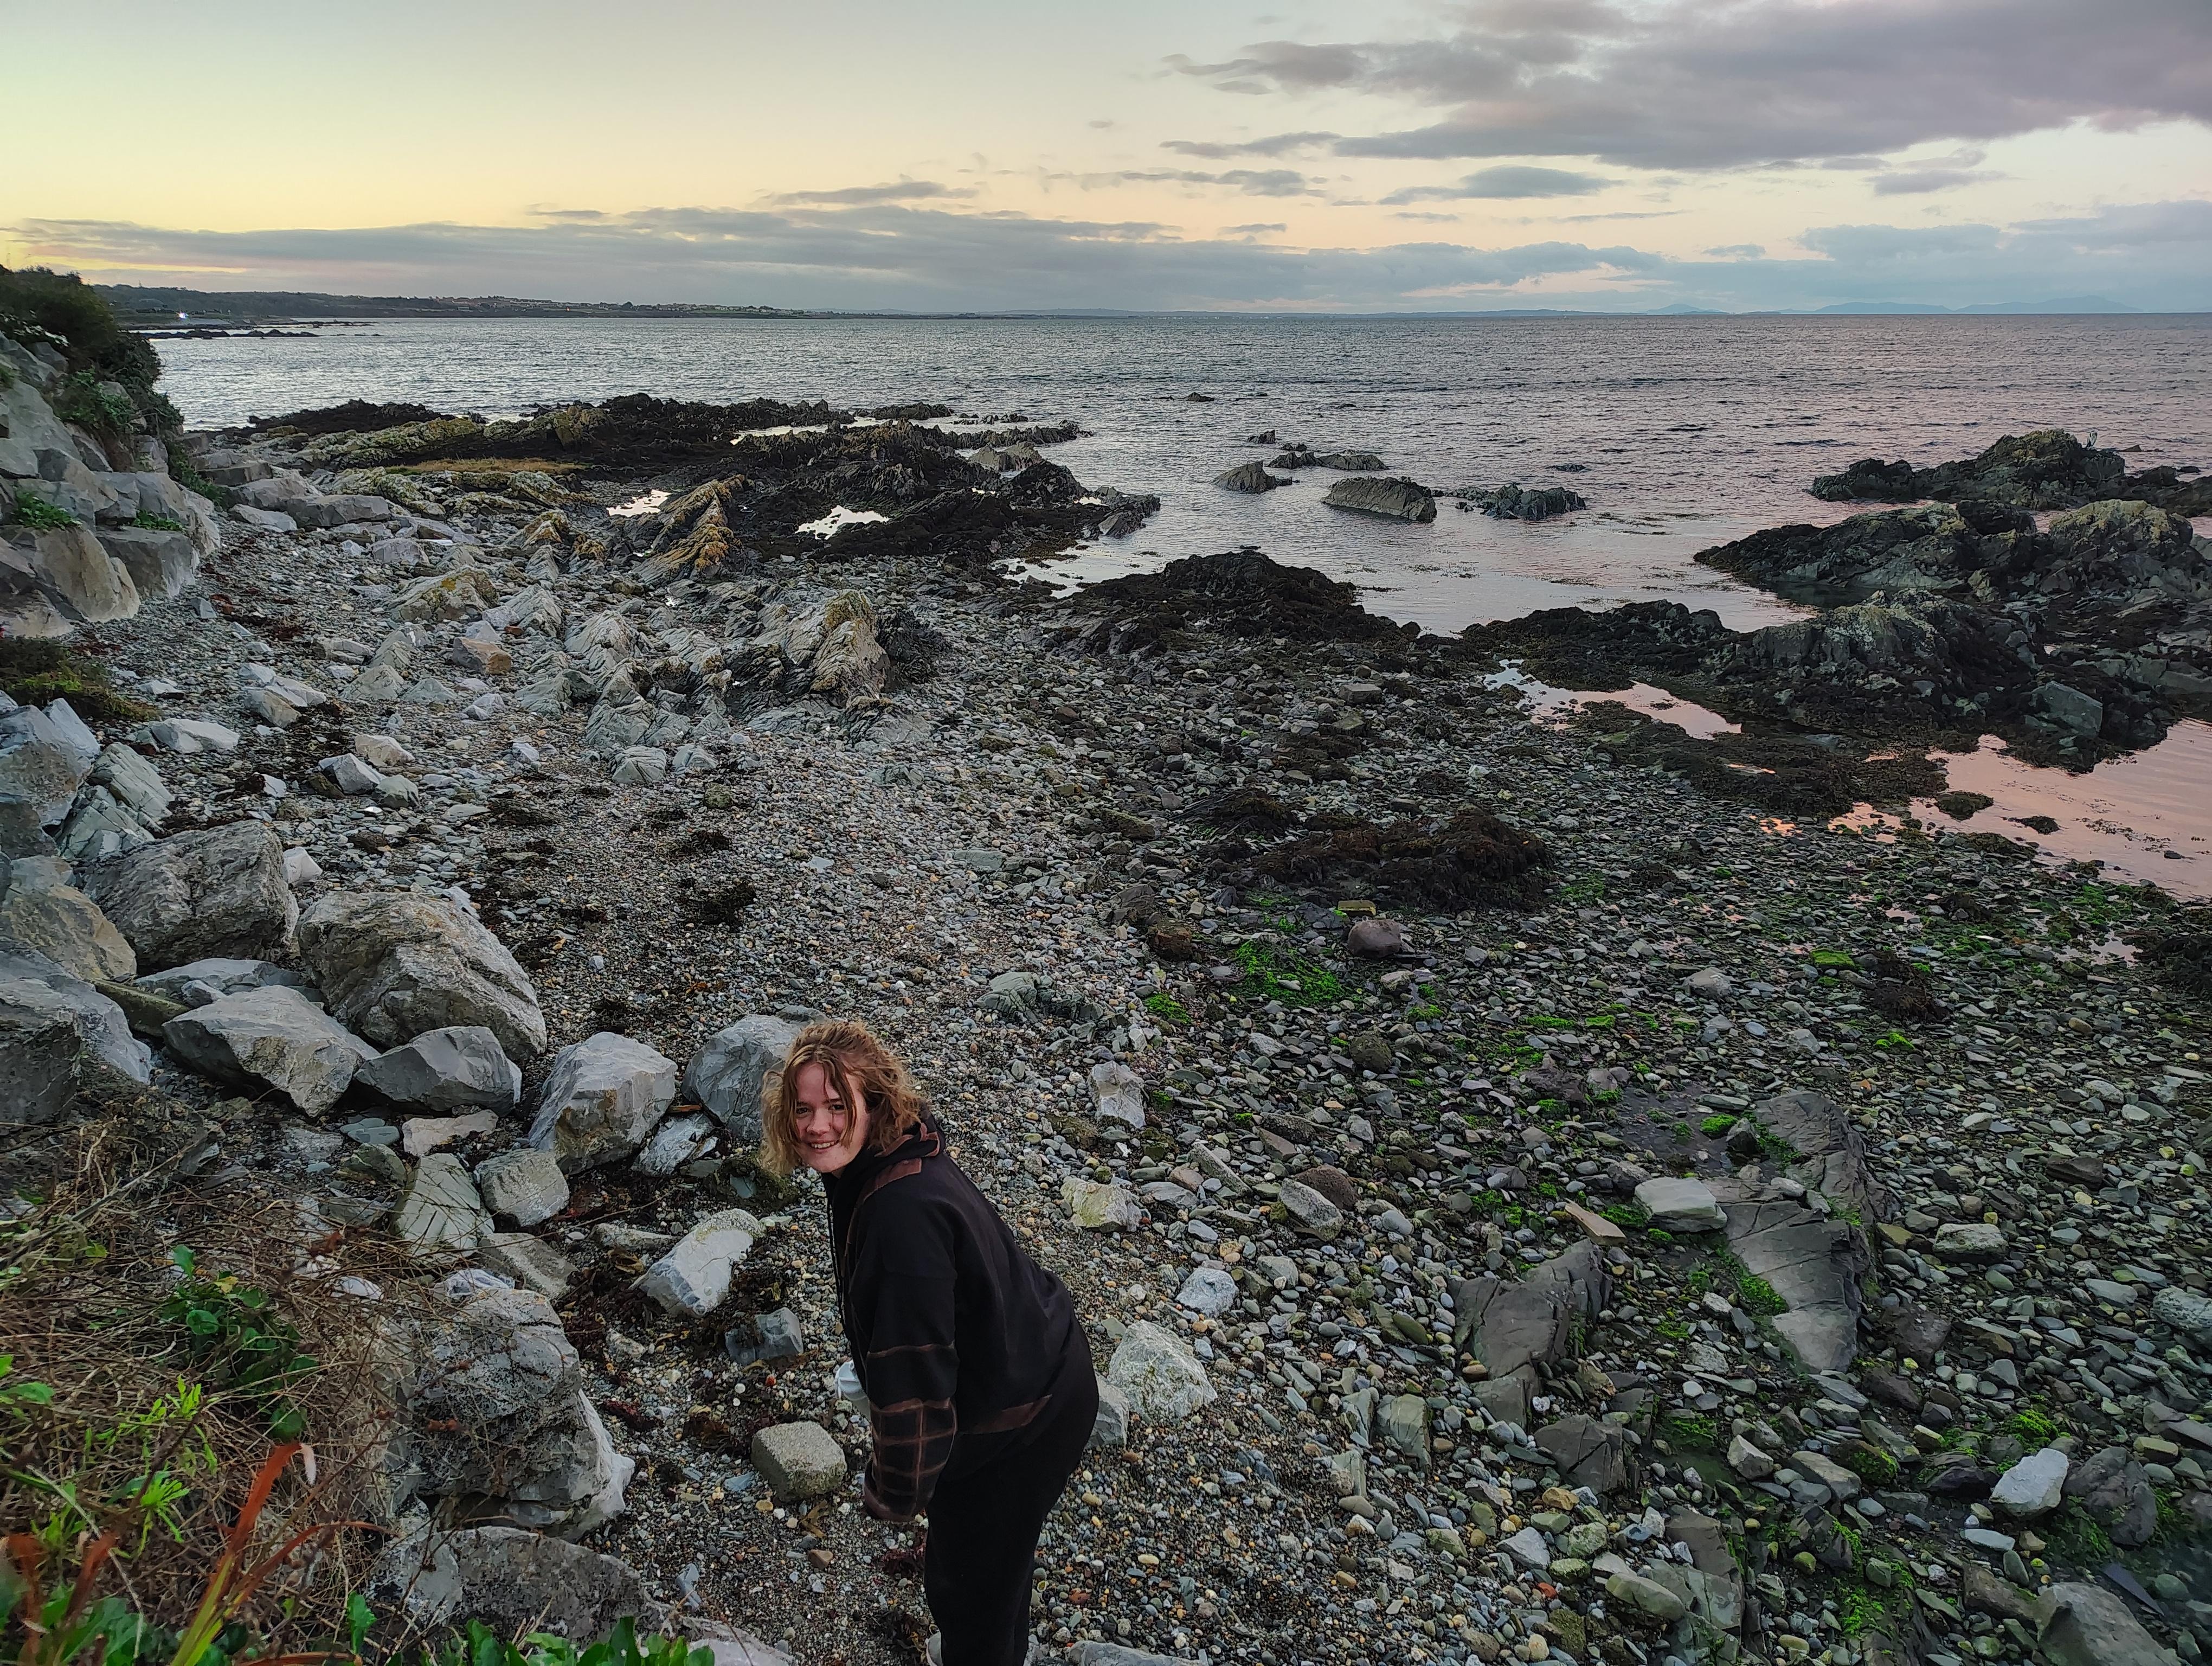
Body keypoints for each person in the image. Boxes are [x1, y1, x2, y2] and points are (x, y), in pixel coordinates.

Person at [761, 1020, 1097, 1666]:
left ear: (877, 1103)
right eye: (803, 1109)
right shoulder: (897, 1154)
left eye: (838, 1106)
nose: (817, 1126)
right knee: (994, 1565)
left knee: (966, 1586)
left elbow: (916, 1385)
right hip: (1043, 1356)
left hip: (1027, 1417)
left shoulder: (899, 1220)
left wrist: (893, 1492)